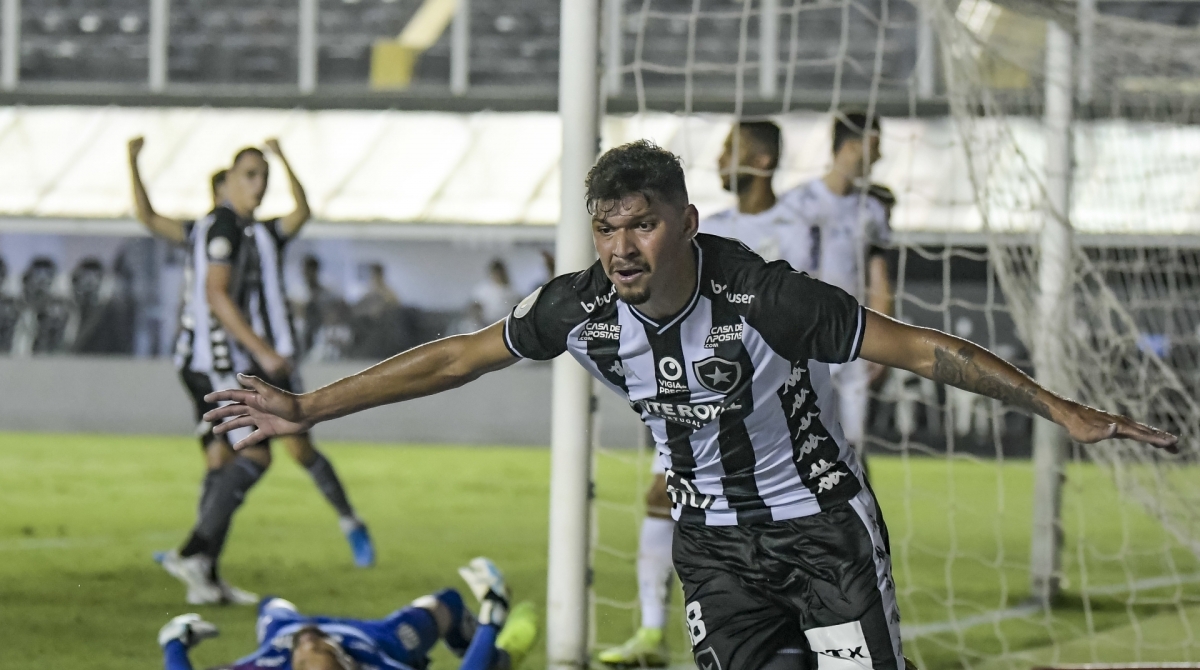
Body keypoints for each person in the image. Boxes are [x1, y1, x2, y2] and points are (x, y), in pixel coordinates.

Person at [202, 141, 1176, 670]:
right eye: (607, 227)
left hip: (823, 533)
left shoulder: (771, 297)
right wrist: (311, 404)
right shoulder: (577, 307)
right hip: (712, 546)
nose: (622, 245)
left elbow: (924, 348)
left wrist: (1062, 409)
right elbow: (454, 359)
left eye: (644, 223)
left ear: (687, 224)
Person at [128, 139, 375, 607]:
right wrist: (262, 351)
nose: (258, 186)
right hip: (225, 364)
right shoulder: (221, 228)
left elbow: (301, 212)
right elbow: (217, 293)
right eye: (248, 176)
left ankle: (207, 572)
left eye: (263, 176)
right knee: (257, 457)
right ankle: (195, 555)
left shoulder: (253, 232)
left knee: (245, 457)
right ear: (224, 186)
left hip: (229, 363)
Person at [599, 119, 803, 666]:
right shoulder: (707, 227)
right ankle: (649, 632)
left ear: (761, 161)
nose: (719, 160)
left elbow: (811, 316)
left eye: (731, 149)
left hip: (777, 407)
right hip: (698, 394)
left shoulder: (797, 230)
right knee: (660, 498)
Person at [155, 557, 539, 670]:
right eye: (314, 654)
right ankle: (501, 659)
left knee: (272, 606)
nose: (305, 647)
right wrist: (492, 617)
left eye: (299, 662)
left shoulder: (270, 660)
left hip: (280, 625)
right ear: (343, 662)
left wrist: (175, 641)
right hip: (379, 638)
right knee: (446, 605)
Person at [787, 112, 897, 472]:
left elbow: (878, 278)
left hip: (852, 343)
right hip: (802, 343)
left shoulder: (871, 211)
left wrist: (882, 344)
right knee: (799, 447)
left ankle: (853, 525)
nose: (878, 158)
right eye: (874, 147)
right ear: (851, 147)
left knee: (851, 451)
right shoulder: (796, 205)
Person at [472, 259, 520, 325]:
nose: (498, 276)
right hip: (488, 325)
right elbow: (475, 308)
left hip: (507, 324)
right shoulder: (482, 290)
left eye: (500, 273)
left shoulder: (511, 291)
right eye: (496, 273)